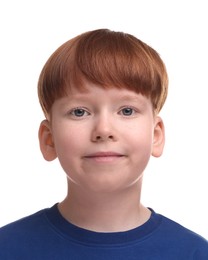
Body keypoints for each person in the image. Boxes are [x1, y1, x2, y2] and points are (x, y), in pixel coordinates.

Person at [0, 29, 207, 259]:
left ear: (156, 136)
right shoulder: (7, 248)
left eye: (127, 110)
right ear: (49, 139)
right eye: (79, 112)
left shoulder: (194, 253)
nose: (104, 130)